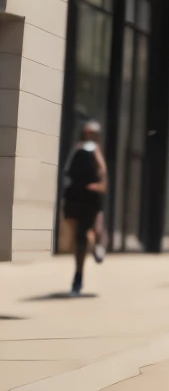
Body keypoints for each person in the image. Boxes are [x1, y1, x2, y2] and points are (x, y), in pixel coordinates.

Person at [61, 121, 107, 295]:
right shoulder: (78, 149)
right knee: (79, 237)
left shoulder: (96, 151)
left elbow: (103, 172)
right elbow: (68, 172)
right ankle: (79, 274)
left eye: (93, 133)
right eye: (87, 133)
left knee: (93, 229)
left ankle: (94, 250)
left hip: (90, 197)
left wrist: (100, 186)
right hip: (76, 195)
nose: (90, 136)